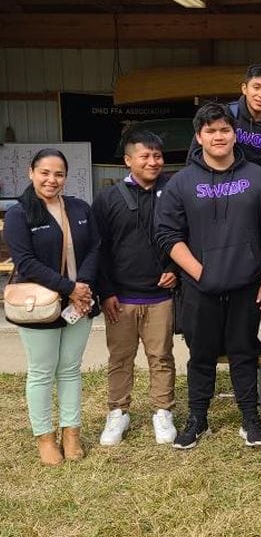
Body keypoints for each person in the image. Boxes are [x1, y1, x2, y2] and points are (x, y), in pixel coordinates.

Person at [155, 102, 261, 450]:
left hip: (247, 286)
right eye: (210, 131)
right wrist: (200, 273)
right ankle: (198, 418)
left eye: (224, 129)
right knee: (201, 355)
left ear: (234, 133)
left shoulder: (258, 178)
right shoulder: (182, 182)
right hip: (199, 288)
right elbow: (168, 235)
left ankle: (249, 418)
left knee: (244, 353)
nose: (218, 136)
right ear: (199, 136)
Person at [4, 149, 99, 465]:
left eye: (58, 174)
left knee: (71, 369)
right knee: (42, 373)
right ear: (31, 172)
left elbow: (96, 248)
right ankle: (45, 437)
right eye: (44, 172)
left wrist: (82, 285)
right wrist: (70, 288)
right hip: (42, 305)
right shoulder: (20, 214)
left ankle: (71, 432)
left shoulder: (79, 208)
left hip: (79, 304)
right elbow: (26, 263)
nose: (51, 179)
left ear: (66, 177)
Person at [92, 130, 178, 446]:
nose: (153, 162)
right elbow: (99, 249)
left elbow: (187, 237)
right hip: (121, 299)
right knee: (120, 358)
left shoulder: (173, 192)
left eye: (157, 156)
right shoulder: (109, 199)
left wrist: (175, 270)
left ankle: (163, 411)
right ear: (128, 160)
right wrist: (107, 292)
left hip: (161, 297)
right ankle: (118, 412)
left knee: (162, 357)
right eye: (145, 156)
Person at [187, 64, 261, 190]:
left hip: (258, 193)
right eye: (256, 87)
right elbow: (194, 156)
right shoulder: (225, 115)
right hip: (222, 190)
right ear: (244, 88)